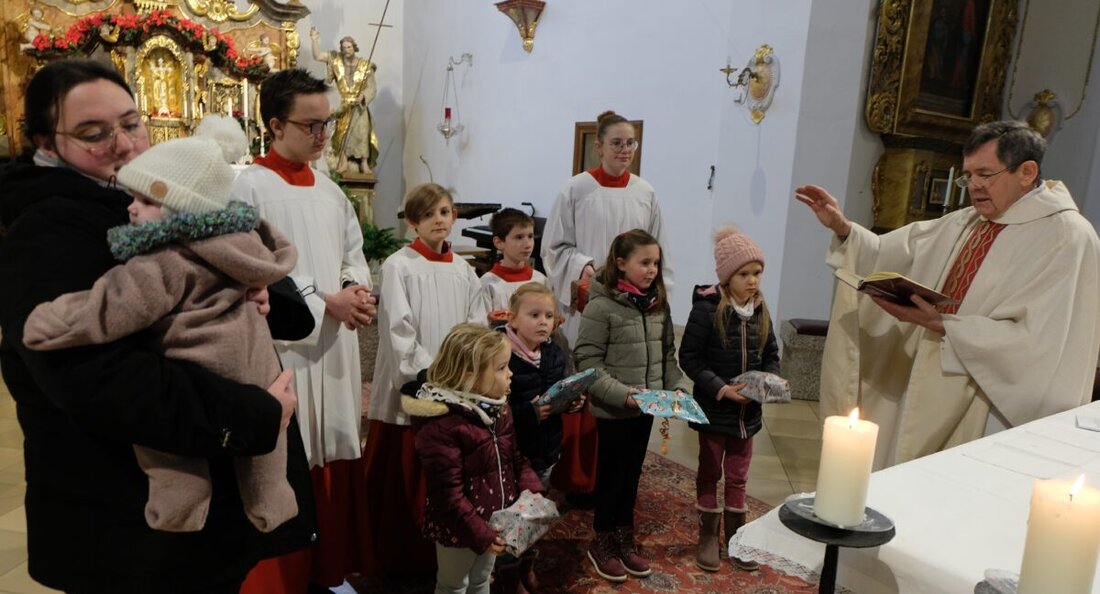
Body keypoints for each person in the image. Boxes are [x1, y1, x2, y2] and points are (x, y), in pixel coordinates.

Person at [0, 58, 313, 594]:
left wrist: (258, 286)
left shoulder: (165, 191)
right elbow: (94, 378)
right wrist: (256, 413)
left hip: (206, 508)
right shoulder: (46, 230)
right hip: (129, 523)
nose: (123, 143)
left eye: (130, 122)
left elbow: (283, 301)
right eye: (93, 134)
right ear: (45, 144)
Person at [21, 115, 299, 535]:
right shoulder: (243, 245)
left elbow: (111, 308)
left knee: (167, 450)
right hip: (257, 364)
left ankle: (180, 506)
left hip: (199, 369)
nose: (131, 207)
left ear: (182, 208)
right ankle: (270, 499)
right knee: (267, 457)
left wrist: (47, 323)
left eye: (147, 201)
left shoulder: (163, 260)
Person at [795, 120, 1100, 469]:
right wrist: (844, 228)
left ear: (1027, 172)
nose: (974, 187)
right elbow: (892, 251)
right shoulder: (969, 220)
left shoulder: (1067, 238)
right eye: (968, 176)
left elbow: (1044, 345)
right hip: (932, 380)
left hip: (993, 404)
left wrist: (945, 325)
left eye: (984, 174)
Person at [231, 67, 375, 593]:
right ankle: (284, 578)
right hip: (279, 345)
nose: (323, 135)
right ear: (275, 124)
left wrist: (354, 289)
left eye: (327, 124)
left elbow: (354, 254)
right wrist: (322, 298)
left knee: (332, 444)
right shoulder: (246, 186)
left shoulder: (332, 191)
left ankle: (328, 570)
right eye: (311, 125)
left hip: (334, 347)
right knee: (288, 452)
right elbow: (246, 265)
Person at [542, 110, 674, 501]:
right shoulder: (576, 190)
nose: (625, 150)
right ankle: (579, 479)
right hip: (590, 304)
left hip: (632, 309)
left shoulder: (645, 192)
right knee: (590, 381)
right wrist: (584, 267)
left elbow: (658, 251)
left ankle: (615, 480)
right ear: (598, 145)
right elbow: (554, 249)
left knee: (624, 388)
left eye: (630, 143)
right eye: (616, 143)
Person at [364, 182, 484, 576]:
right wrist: (429, 376)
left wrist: (465, 371)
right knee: (408, 465)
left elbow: (475, 325)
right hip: (415, 382)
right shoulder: (399, 265)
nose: (438, 220)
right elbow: (398, 328)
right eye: (429, 214)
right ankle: (403, 555)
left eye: (445, 212)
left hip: (456, 382)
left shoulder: (465, 270)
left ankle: (445, 551)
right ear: (413, 221)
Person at [574, 229, 686, 583]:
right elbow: (588, 361)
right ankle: (602, 539)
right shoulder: (602, 306)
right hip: (615, 408)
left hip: (645, 409)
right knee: (611, 476)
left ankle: (624, 533)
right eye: (644, 262)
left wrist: (677, 389)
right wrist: (623, 394)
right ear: (621, 264)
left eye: (656, 263)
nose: (652, 270)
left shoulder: (657, 306)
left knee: (632, 474)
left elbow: (667, 355)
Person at [404, 323, 544, 594]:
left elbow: (516, 458)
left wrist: (531, 490)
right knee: (453, 585)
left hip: (494, 521)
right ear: (470, 375)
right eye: (502, 367)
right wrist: (481, 534)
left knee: (481, 580)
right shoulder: (443, 424)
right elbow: (447, 494)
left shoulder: (498, 408)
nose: (510, 373)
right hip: (458, 528)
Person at [677, 226, 780, 573]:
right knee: (710, 471)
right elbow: (690, 358)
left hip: (747, 415)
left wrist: (766, 380)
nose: (753, 281)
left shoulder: (761, 310)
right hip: (714, 409)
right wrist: (721, 388)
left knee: (738, 475)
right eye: (744, 274)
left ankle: (737, 536)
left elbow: (771, 353)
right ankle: (708, 535)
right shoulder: (707, 310)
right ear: (726, 277)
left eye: (757, 272)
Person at [309, 27, 378, 174]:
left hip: (360, 107)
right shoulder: (336, 60)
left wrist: (363, 96)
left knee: (361, 133)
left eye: (349, 47)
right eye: (344, 47)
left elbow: (372, 87)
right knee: (342, 134)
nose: (346, 50)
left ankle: (364, 163)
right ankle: (344, 162)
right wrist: (314, 40)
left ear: (354, 47)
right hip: (345, 105)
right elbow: (318, 56)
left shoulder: (366, 66)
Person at [475, 207, 550, 324]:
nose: (528, 244)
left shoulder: (541, 280)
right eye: (519, 237)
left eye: (530, 236)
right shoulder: (488, 284)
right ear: (499, 242)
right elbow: (481, 327)